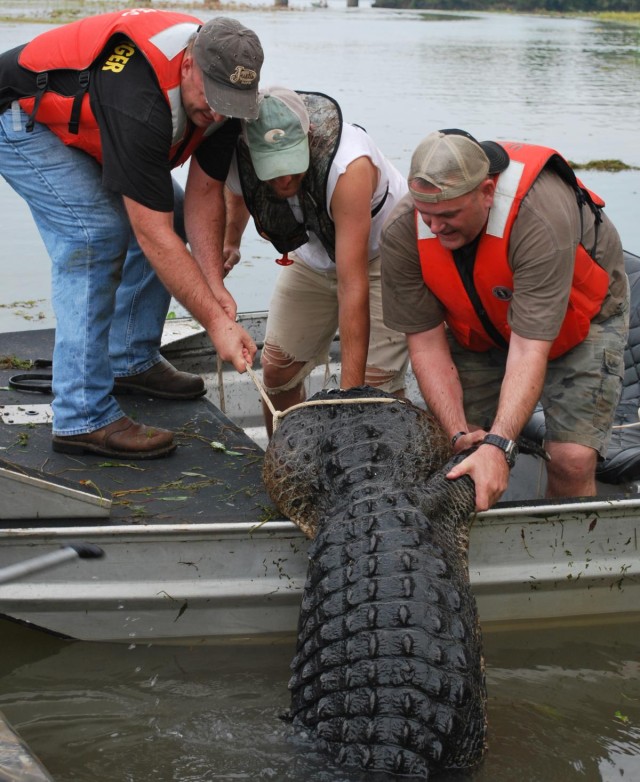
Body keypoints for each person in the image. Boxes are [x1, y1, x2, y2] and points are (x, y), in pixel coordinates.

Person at [0, 10, 264, 459]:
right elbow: (152, 234)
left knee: (172, 211)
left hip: (94, 126)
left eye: (230, 100)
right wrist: (216, 324)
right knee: (96, 236)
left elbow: (203, 195)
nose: (217, 111)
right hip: (22, 116)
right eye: (212, 95)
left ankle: (129, 357)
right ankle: (81, 416)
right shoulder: (139, 96)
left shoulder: (224, 93)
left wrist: (213, 285)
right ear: (186, 65)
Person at [380, 128, 629, 511]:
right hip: (481, 328)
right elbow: (426, 342)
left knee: (571, 459)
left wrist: (499, 445)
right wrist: (459, 433)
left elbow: (529, 346)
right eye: (425, 214)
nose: (434, 227)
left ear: (486, 192)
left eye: (448, 214)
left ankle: (564, 565)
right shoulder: (403, 230)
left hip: (580, 321)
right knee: (453, 455)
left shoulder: (538, 218)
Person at [223, 86, 409, 435]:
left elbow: (352, 286)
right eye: (272, 167)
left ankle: (384, 473)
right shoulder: (237, 155)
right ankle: (289, 459)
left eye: (291, 163)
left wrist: (352, 400)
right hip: (312, 257)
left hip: (380, 258)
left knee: (374, 387)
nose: (284, 178)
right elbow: (237, 189)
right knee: (277, 369)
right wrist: (231, 242)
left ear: (308, 138)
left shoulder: (348, 168)